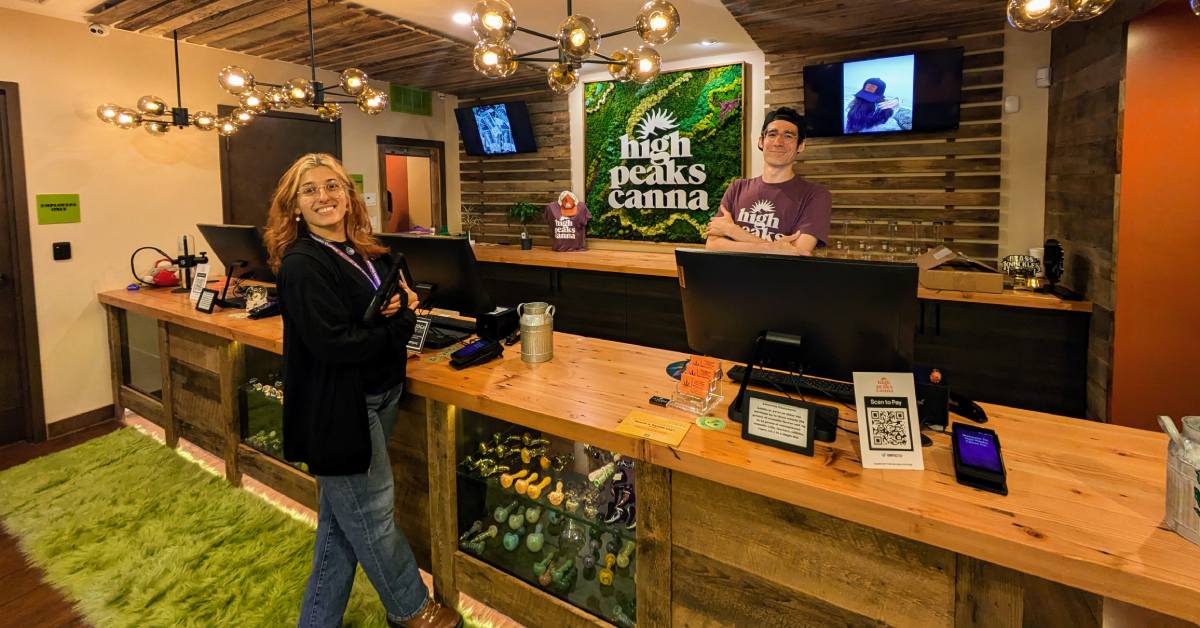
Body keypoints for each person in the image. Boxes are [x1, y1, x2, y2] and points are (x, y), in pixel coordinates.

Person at [263, 153, 462, 628]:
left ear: (349, 196)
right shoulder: (303, 264)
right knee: (371, 514)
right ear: (294, 206)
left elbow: (381, 312)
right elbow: (338, 346)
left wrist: (401, 310)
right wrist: (404, 322)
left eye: (332, 186)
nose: (324, 197)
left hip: (380, 393)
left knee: (340, 523)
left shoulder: (361, 252)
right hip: (341, 406)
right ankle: (411, 610)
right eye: (309, 190)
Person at [706, 107, 832, 255]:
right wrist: (773, 248)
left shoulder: (816, 195)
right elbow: (712, 245)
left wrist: (734, 232)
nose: (778, 142)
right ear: (761, 141)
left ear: (801, 145)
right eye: (772, 134)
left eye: (788, 136)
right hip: (732, 277)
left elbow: (798, 254)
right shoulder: (737, 188)